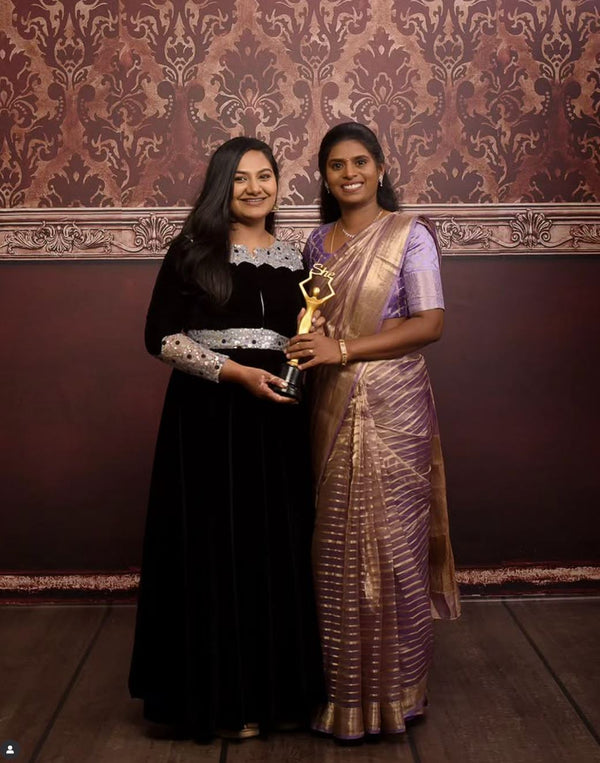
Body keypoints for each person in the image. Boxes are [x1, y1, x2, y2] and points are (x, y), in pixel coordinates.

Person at [129, 137, 324, 740]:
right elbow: (160, 337)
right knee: (213, 546)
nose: (255, 188)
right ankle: (217, 701)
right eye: (240, 178)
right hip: (207, 420)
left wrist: (307, 348)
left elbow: (300, 337)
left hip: (277, 421)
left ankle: (273, 697)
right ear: (222, 185)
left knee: (273, 546)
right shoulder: (191, 250)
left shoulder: (296, 259)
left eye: (265, 176)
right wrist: (234, 373)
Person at [286, 122, 461, 741]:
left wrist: (344, 349)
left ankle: (395, 694)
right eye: (336, 165)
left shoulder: (411, 235)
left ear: (381, 168)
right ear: (325, 177)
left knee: (392, 544)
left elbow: (430, 324)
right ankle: (341, 695)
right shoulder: (317, 243)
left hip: (394, 405)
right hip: (330, 403)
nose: (349, 173)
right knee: (333, 541)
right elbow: (319, 324)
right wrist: (310, 341)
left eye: (360, 162)